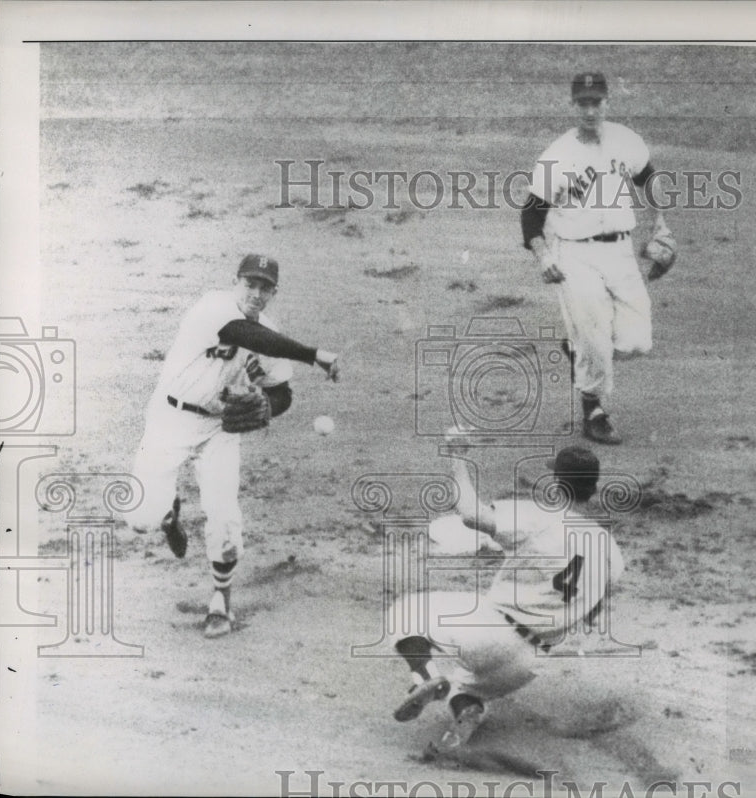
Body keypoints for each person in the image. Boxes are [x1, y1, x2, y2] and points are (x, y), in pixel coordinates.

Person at [128, 254, 340, 639]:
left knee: (224, 515)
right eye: (250, 284)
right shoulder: (213, 308)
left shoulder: (270, 334)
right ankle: (167, 514)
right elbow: (248, 336)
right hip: (170, 418)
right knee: (140, 520)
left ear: (274, 292)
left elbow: (282, 393)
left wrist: (266, 409)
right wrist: (314, 355)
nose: (256, 294)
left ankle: (220, 602)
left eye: (265, 288)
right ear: (235, 282)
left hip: (219, 427)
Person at [388, 431, 624, 752]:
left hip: (490, 632)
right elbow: (596, 608)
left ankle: (425, 675)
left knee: (405, 612)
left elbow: (471, 515)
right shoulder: (610, 550)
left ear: (556, 482)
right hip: (528, 664)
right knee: (468, 686)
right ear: (592, 490)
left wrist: (457, 459)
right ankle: (467, 708)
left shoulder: (539, 516)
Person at [521, 71, 678, 445]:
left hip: (620, 253)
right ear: (573, 105)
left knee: (637, 342)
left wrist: (661, 224)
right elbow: (530, 214)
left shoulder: (627, 141)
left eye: (597, 102)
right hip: (575, 254)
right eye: (583, 103)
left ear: (608, 102)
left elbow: (648, 177)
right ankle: (593, 409)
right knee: (594, 337)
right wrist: (543, 256)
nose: (590, 110)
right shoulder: (556, 156)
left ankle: (577, 350)